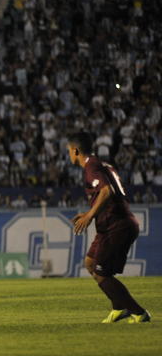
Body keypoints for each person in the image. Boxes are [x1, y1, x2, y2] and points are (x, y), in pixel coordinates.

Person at [67, 132, 150, 323]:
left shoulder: (90, 166)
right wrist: (90, 213)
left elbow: (107, 191)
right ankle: (119, 308)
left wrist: (90, 215)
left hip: (116, 225)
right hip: (111, 225)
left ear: (75, 151)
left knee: (101, 274)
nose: (69, 154)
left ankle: (139, 312)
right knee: (90, 264)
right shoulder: (102, 164)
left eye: (69, 151)